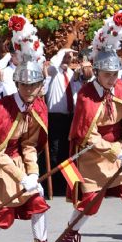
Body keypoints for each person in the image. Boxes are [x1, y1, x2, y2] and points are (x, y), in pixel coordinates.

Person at [0, 15, 65, 242]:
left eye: (33, 85)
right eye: (24, 85)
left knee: (38, 204)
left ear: (40, 85)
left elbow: (29, 144)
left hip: (20, 164)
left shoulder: (38, 107)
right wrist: (21, 177)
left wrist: (33, 174)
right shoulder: (4, 107)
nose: (28, 90)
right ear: (17, 84)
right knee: (3, 214)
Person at [58, 12, 122, 242]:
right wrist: (115, 151)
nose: (112, 79)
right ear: (97, 71)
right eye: (107, 74)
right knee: (89, 201)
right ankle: (70, 236)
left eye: (115, 74)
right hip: (92, 154)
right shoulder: (86, 96)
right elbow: (86, 133)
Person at [43, 48, 82, 195]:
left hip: (70, 117)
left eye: (70, 57)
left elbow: (77, 93)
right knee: (55, 151)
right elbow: (53, 63)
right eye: (65, 56)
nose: (68, 59)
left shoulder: (72, 74)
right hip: (55, 117)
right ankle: (56, 186)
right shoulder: (54, 72)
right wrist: (63, 51)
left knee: (69, 151)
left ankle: (70, 184)